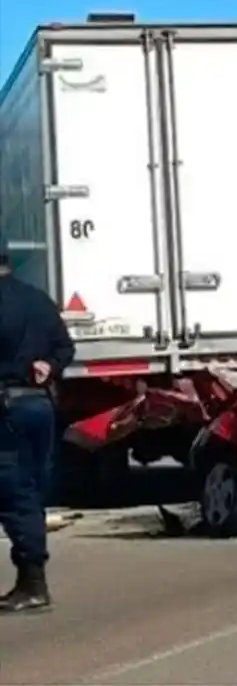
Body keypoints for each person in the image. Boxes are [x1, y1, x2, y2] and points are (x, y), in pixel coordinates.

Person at [0, 232, 75, 613]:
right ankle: (31, 579)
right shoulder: (37, 300)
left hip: (8, 410)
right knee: (29, 489)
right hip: (38, 407)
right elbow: (65, 346)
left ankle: (32, 583)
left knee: (15, 493)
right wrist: (52, 365)